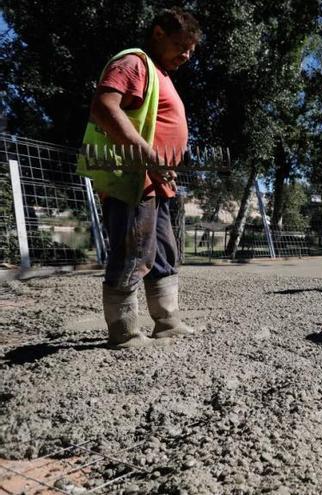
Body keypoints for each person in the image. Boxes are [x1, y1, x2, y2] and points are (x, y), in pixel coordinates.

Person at [78, 8, 201, 348]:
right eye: (181, 45)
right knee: (134, 249)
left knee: (162, 251)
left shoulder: (159, 72)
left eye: (191, 49)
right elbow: (104, 106)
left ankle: (166, 320)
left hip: (155, 181)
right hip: (132, 177)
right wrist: (148, 156)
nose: (187, 55)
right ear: (158, 33)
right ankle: (124, 330)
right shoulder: (134, 63)